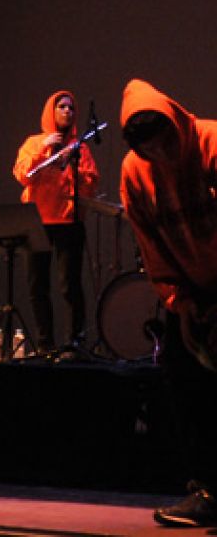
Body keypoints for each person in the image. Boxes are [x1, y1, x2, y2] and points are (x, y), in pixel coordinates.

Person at [118, 79, 217, 527]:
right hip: (192, 292)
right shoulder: (134, 172)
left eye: (166, 144)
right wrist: (178, 300)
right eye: (149, 150)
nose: (161, 156)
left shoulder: (211, 142)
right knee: (186, 382)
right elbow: (150, 242)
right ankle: (209, 491)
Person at [12, 90, 99, 356]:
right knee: (37, 286)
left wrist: (73, 166)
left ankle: (73, 341)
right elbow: (23, 174)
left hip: (68, 223)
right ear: (51, 111)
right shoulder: (33, 142)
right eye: (61, 106)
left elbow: (91, 184)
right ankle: (44, 344)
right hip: (37, 222)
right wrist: (44, 149)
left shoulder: (79, 148)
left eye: (71, 108)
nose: (67, 111)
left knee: (69, 285)